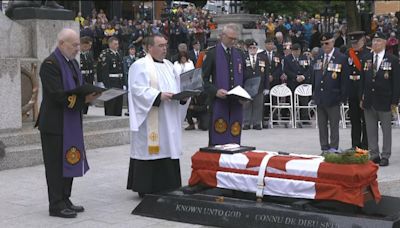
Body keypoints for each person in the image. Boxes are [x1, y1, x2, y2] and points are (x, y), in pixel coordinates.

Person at [36, 28, 100, 218]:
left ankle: (65, 198)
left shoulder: (71, 63)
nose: (78, 49)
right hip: (55, 124)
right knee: (55, 165)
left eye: (78, 44)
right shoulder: (50, 64)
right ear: (62, 44)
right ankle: (55, 204)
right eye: (74, 45)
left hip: (70, 120)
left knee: (70, 158)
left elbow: (77, 88)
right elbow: (56, 95)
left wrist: (90, 94)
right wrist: (83, 100)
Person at [126, 34, 188, 197]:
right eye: (160, 46)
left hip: (169, 116)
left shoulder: (169, 65)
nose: (164, 49)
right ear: (149, 48)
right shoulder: (140, 66)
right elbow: (137, 90)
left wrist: (183, 96)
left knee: (167, 147)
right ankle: (147, 187)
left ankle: (168, 185)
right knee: (152, 149)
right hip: (151, 117)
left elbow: (176, 86)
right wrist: (158, 95)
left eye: (165, 45)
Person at [202, 23, 246, 145]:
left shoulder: (239, 54)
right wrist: (215, 91)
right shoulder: (212, 54)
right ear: (222, 36)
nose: (233, 41)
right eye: (230, 38)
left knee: (234, 136)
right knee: (218, 135)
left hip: (236, 102)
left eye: (235, 38)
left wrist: (245, 95)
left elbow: (245, 77)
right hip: (218, 102)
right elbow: (203, 79)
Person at [360, 32, 400, 167]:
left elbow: (396, 83)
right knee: (371, 129)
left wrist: (394, 101)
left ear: (384, 43)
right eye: (373, 41)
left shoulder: (392, 59)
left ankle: (385, 155)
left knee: (386, 130)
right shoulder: (366, 58)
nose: (375, 43)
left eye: (378, 41)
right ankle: (374, 154)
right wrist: (362, 97)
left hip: (385, 100)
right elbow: (362, 80)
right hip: (369, 100)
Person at [311, 32, 348, 154]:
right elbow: (314, 77)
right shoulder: (318, 57)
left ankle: (333, 148)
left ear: (332, 42)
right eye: (322, 44)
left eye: (326, 43)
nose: (324, 46)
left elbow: (344, 80)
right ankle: (324, 148)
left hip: (333, 97)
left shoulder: (341, 58)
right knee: (322, 125)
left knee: (333, 126)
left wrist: (342, 97)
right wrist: (314, 94)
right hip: (320, 97)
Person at [346, 31, 369, 150]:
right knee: (354, 120)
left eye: (357, 42)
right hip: (352, 89)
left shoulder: (368, 54)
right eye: (353, 42)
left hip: (363, 89)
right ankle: (355, 144)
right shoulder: (348, 54)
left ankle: (365, 145)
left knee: (366, 120)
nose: (354, 45)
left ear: (363, 40)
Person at [242, 39, 269, 130]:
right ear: (248, 48)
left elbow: (266, 73)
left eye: (254, 47)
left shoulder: (263, 58)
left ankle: (257, 123)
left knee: (258, 105)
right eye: (251, 47)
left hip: (259, 86)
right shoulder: (243, 57)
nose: (253, 49)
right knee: (246, 105)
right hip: (247, 85)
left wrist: (267, 87)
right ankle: (246, 123)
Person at [283, 43, 312, 127]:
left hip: (303, 82)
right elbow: (286, 70)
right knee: (292, 100)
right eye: (295, 51)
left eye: (298, 51)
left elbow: (308, 69)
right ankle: (293, 117)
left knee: (304, 100)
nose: (297, 53)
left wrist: (303, 76)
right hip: (292, 82)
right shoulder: (287, 59)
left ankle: (305, 118)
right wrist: (296, 76)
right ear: (292, 51)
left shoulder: (303, 57)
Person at [97, 37, 124, 116]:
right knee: (111, 104)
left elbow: (121, 68)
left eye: (117, 44)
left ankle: (118, 119)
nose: (117, 46)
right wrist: (103, 83)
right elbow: (104, 70)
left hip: (119, 81)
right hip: (111, 81)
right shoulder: (106, 54)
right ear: (110, 44)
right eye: (115, 44)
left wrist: (123, 82)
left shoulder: (119, 53)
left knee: (118, 104)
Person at [79, 36, 95, 114]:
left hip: (88, 79)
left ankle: (85, 113)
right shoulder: (78, 55)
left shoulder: (89, 54)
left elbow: (92, 68)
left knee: (87, 99)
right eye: (86, 46)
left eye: (89, 46)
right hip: (82, 79)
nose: (88, 48)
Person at [122, 44, 139, 116]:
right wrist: (125, 82)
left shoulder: (138, 58)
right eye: (131, 49)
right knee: (129, 95)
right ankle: (129, 110)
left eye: (133, 49)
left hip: (137, 80)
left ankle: (136, 109)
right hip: (129, 79)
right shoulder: (126, 59)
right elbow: (125, 70)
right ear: (129, 51)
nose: (132, 51)